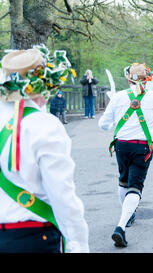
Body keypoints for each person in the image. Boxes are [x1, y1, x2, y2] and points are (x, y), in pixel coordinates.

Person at [0, 45, 89, 252]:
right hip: (31, 239)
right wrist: (77, 243)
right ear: (45, 85)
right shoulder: (44, 125)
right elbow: (61, 194)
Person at [98, 63, 153, 247]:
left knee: (123, 180)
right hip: (143, 147)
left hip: (121, 145)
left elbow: (103, 125)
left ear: (128, 79)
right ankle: (121, 225)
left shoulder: (118, 97)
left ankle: (128, 216)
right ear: (148, 80)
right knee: (136, 186)